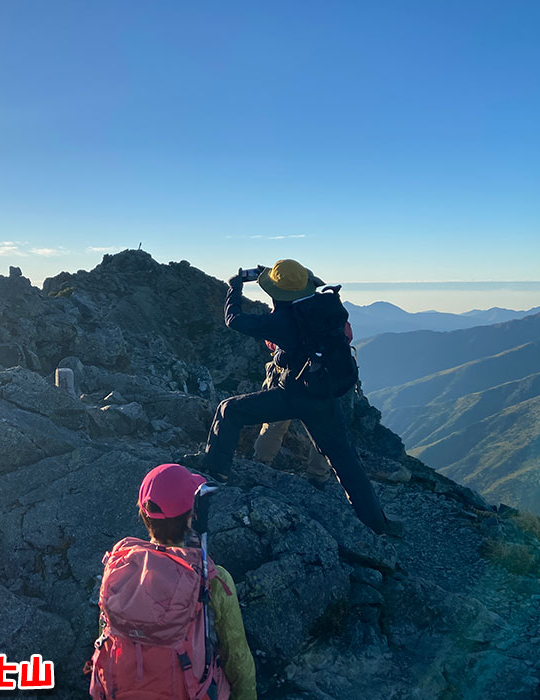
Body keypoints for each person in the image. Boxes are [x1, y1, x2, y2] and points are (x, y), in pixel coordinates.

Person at [197, 259, 395, 536]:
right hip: (326, 397)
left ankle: (214, 474)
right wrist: (277, 276)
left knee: (229, 410)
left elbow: (234, 320)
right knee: (346, 461)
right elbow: (302, 289)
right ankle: (377, 523)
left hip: (292, 394)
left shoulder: (280, 320)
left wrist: (235, 287)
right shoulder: (327, 306)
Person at [89, 463, 258, 700]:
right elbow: (238, 660)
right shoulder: (211, 579)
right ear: (193, 518)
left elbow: (105, 634)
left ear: (143, 513)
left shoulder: (118, 566)